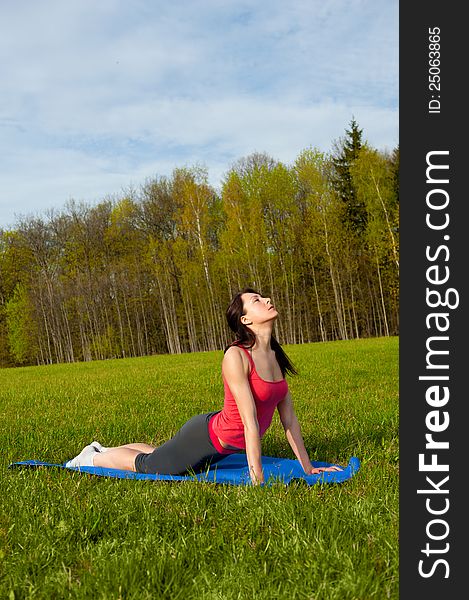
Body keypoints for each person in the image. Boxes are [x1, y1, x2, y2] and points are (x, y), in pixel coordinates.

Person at [66, 288, 342, 484]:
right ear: (245, 320)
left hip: (219, 441)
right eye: (257, 300)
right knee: (150, 466)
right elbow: (250, 423)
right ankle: (90, 458)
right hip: (207, 439)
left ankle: (103, 449)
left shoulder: (274, 355)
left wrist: (308, 468)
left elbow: (289, 420)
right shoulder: (236, 356)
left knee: (161, 452)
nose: (267, 300)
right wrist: (257, 478)